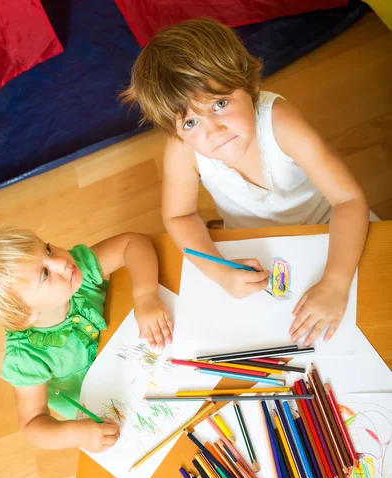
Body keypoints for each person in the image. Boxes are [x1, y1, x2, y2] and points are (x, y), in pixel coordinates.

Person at [121, 17, 370, 347]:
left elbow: (349, 201)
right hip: (256, 251)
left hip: (334, 233)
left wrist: (337, 283)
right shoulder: (182, 148)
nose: (213, 131)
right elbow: (178, 217)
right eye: (191, 122)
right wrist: (218, 272)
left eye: (220, 104)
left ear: (248, 85)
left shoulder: (280, 121)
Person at [0, 226, 173, 452]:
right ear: (25, 316)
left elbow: (132, 242)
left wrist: (145, 296)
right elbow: (32, 424)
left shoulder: (76, 270)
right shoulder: (25, 357)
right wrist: (75, 434)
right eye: (45, 274)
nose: (61, 262)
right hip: (111, 409)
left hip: (146, 356)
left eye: (47, 249)